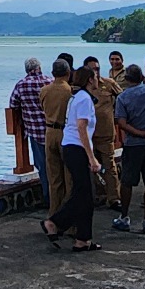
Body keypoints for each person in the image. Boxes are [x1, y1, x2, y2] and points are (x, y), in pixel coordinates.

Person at [41, 66, 102, 251]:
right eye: (96, 77)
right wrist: (92, 158)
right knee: (83, 194)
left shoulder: (78, 97)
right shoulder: (84, 99)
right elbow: (82, 128)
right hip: (77, 148)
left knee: (85, 195)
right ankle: (54, 222)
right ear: (90, 79)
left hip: (72, 146)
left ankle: (83, 239)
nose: (98, 80)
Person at [112, 64, 145, 235]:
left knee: (127, 182)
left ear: (126, 80)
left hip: (133, 144)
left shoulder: (122, 98)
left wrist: (141, 133)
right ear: (141, 77)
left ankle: (124, 217)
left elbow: (122, 123)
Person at [9, 57, 53, 204]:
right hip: (54, 131)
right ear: (39, 67)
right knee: (58, 165)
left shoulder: (21, 85)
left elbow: (13, 103)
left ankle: (48, 198)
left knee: (43, 167)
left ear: (27, 70)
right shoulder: (50, 81)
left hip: (35, 132)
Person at [84, 56, 121, 210]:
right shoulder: (81, 87)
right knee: (93, 168)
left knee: (110, 166)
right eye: (92, 69)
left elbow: (122, 98)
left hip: (106, 133)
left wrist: (118, 116)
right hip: (88, 135)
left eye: (97, 68)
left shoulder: (109, 83)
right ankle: (100, 195)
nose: (96, 72)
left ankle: (114, 198)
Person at [39, 59, 74, 216]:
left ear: (53, 73)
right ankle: (68, 217)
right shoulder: (70, 92)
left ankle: (54, 214)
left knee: (54, 178)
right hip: (65, 132)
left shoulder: (45, 90)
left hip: (49, 132)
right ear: (68, 73)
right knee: (69, 177)